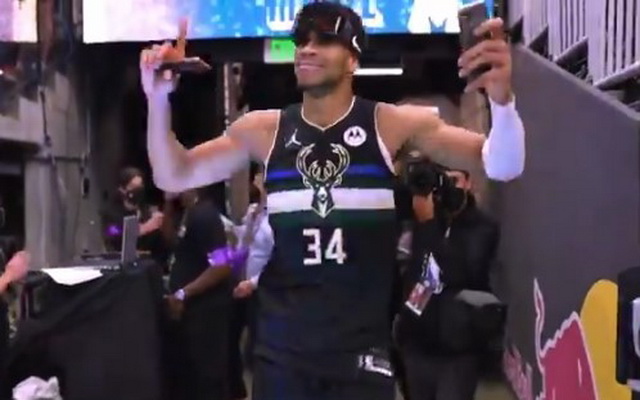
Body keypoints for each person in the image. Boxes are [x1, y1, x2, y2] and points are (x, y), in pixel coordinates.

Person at [140, 3, 525, 399]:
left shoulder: (392, 125)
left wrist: (502, 102)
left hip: (360, 358)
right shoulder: (264, 130)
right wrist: (157, 100)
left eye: (325, 40)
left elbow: (503, 164)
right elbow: (173, 175)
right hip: (282, 356)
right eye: (301, 40)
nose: (307, 48)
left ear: (353, 59)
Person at [395, 162, 500, 400]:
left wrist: (430, 226)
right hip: (417, 342)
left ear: (468, 182)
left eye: (454, 181)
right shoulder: (418, 220)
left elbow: (459, 272)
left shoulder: (482, 227)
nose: (448, 189)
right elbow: (415, 270)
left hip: (458, 346)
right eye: (442, 181)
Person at [161, 188, 232, 400]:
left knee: (207, 377)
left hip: (206, 311)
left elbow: (222, 265)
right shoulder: (187, 213)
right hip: (190, 312)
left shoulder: (205, 216)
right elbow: (170, 241)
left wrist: (184, 292)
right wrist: (168, 204)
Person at [102, 167, 167, 265]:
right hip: (123, 264)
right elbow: (112, 232)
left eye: (140, 186)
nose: (138, 190)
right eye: (133, 186)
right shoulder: (111, 213)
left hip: (149, 262)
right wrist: (142, 229)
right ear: (122, 190)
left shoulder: (145, 210)